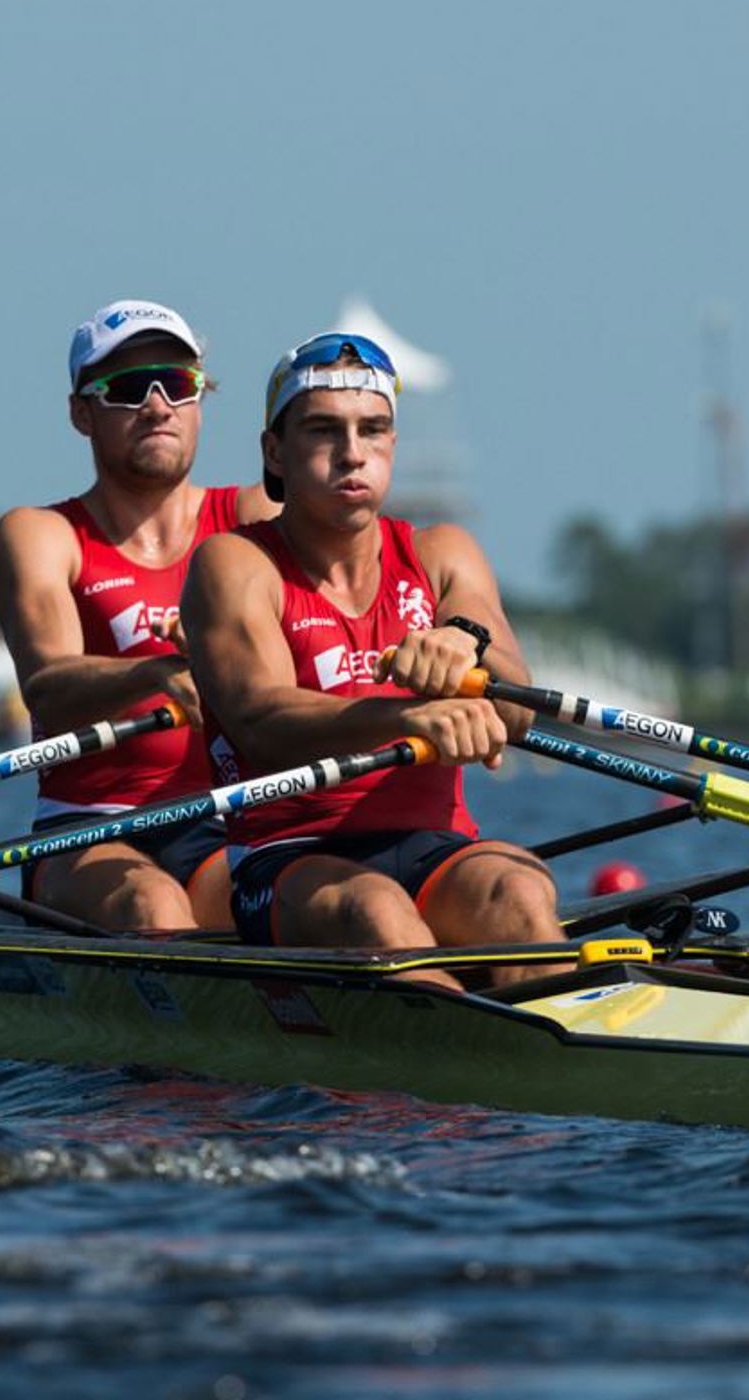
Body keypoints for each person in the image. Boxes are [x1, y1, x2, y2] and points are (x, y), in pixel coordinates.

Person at [180, 331, 564, 987]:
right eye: (324, 431)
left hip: (436, 848)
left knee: (521, 891)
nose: (352, 453)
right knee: (378, 911)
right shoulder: (235, 562)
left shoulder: (443, 552)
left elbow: (517, 710)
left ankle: (564, 1042)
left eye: (373, 430)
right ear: (275, 452)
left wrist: (462, 641)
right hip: (287, 856)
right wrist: (406, 718)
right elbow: (259, 721)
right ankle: (467, 1043)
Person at [0, 300, 278, 930]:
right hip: (87, 829)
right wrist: (155, 673)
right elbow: (50, 689)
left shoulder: (256, 519)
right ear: (81, 414)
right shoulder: (43, 535)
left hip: (223, 820)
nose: (156, 406)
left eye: (177, 384)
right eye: (127, 388)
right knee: (154, 904)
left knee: (280, 900)